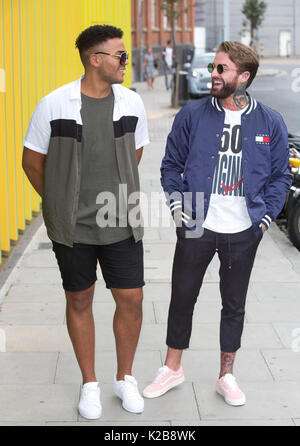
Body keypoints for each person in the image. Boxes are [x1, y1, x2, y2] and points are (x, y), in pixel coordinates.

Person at [143, 41, 291, 406]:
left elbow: (280, 176)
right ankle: (172, 367)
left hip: (245, 228)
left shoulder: (269, 121)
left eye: (221, 69)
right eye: (213, 66)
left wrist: (265, 219)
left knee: (234, 303)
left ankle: (227, 374)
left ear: (243, 77)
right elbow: (170, 166)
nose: (213, 73)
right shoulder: (193, 115)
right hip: (196, 220)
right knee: (182, 295)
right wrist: (178, 206)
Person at [22, 24, 149, 419]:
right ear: (96, 60)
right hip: (72, 228)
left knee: (131, 299)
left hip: (121, 221)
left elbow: (137, 152)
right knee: (80, 299)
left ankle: (125, 378)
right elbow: (31, 161)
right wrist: (60, 201)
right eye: (120, 56)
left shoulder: (131, 102)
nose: (126, 62)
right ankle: (89, 384)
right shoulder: (54, 104)